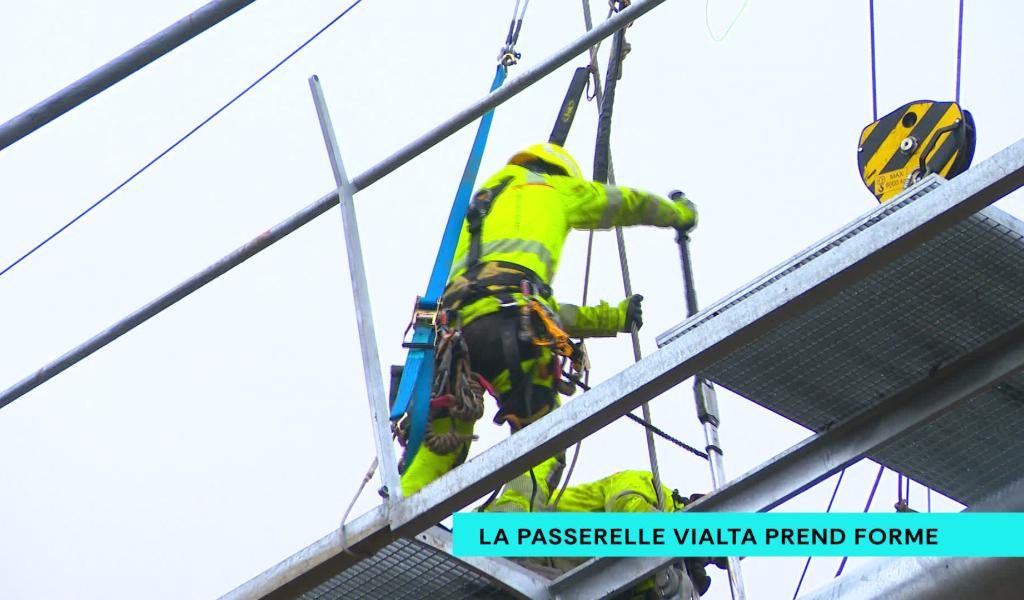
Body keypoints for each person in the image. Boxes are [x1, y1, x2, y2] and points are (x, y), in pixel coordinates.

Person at [397, 142, 697, 498]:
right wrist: (679, 214)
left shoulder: (479, 205)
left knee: (440, 445)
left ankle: (397, 522)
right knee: (542, 442)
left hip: (452, 340)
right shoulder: (554, 188)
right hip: (513, 332)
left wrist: (613, 317)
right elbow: (627, 203)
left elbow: (534, 308)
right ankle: (509, 517)